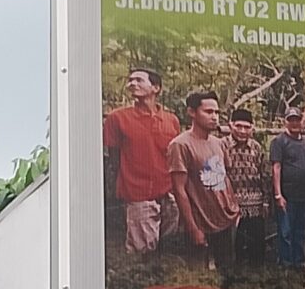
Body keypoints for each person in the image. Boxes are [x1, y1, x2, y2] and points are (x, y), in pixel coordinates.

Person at [101, 68, 180, 256]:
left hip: (168, 193)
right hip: (137, 192)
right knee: (142, 252)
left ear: (156, 88)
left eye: (139, 80)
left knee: (167, 248)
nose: (132, 84)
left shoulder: (171, 120)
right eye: (130, 80)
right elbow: (113, 156)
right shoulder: (117, 118)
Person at [167, 91, 240, 273]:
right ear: (192, 112)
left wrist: (233, 209)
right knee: (199, 275)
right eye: (208, 112)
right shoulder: (180, 145)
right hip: (200, 222)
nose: (214, 117)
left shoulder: (218, 143)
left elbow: (225, 177)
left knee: (227, 272)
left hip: (224, 220)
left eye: (216, 112)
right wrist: (193, 228)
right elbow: (179, 190)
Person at [268, 103, 305, 269]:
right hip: (287, 195)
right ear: (285, 121)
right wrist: (278, 194)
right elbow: (276, 167)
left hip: (302, 194)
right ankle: (285, 263)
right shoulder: (279, 142)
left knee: (301, 230)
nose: (294, 123)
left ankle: (299, 261)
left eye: (297, 119)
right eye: (291, 120)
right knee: (286, 231)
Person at [226, 109, 269, 269]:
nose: (243, 131)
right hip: (230, 208)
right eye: (239, 126)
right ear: (231, 125)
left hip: (255, 206)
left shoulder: (256, 147)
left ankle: (257, 278)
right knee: (233, 249)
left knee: (257, 248)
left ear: (252, 128)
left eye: (247, 127)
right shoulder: (222, 146)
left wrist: (265, 202)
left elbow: (265, 175)